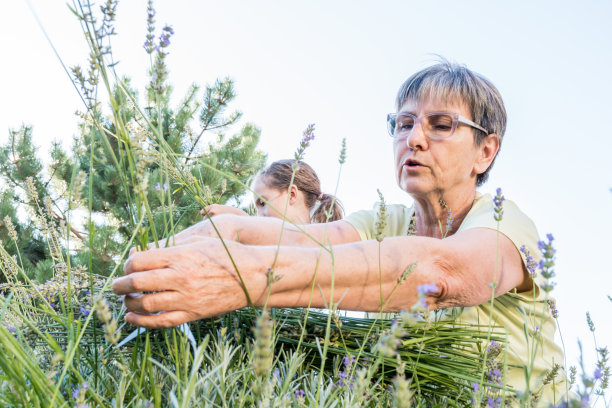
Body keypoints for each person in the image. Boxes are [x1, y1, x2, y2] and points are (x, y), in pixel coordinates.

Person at [114, 61, 567, 405]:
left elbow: (439, 271)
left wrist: (238, 279)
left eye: (441, 125)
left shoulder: (506, 223)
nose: (414, 138)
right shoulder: (383, 222)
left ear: (485, 151)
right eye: (404, 123)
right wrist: (208, 238)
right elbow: (301, 244)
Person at [202, 159, 344, 224]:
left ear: (292, 194)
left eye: (263, 203)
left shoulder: (319, 243)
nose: (259, 216)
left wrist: (242, 221)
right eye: (257, 209)